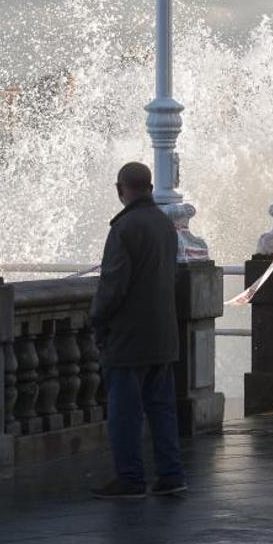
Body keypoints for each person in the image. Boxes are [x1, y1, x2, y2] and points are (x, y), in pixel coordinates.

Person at [89, 162, 186, 499]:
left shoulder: (125, 228)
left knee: (125, 413)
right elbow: (171, 276)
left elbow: (113, 285)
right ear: (148, 187)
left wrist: (98, 318)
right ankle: (171, 473)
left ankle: (130, 478)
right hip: (163, 335)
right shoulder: (165, 225)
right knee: (161, 409)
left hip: (129, 338)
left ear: (122, 189)